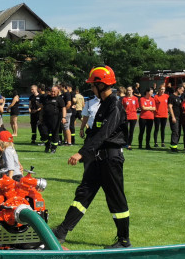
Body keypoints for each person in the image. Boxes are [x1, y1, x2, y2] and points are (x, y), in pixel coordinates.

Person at [51, 66, 131, 248]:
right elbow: (94, 135)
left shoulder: (114, 105)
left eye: (93, 85)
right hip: (97, 159)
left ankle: (124, 240)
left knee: (116, 199)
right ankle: (62, 230)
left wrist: (81, 153)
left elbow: (104, 134)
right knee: (84, 192)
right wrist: (85, 152)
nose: (92, 89)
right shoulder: (102, 105)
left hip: (111, 159)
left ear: (101, 85)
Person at [41, 85, 64, 153]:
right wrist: (40, 117)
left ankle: (53, 148)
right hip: (45, 119)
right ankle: (47, 145)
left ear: (58, 92)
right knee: (44, 133)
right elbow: (42, 108)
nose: (53, 93)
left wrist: (64, 117)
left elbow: (63, 108)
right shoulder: (46, 98)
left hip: (55, 119)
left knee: (55, 134)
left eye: (54, 92)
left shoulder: (59, 99)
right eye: (51, 91)